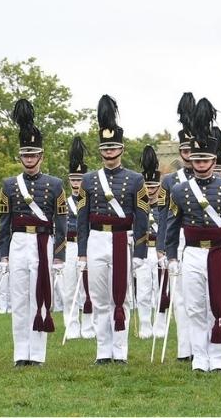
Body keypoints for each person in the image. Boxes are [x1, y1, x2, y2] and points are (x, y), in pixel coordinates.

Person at [165, 98, 221, 372]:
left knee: (219, 304)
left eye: (206, 159)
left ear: (214, 160)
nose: (201, 164)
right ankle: (200, 358)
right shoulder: (179, 191)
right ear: (191, 160)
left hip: (220, 251)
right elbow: (171, 224)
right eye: (197, 159)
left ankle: (220, 359)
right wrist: (171, 255)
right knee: (194, 306)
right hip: (192, 254)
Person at [76, 95, 149, 364]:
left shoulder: (135, 179)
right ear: (100, 150)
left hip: (122, 239)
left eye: (113, 148)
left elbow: (142, 217)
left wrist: (140, 251)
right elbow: (82, 219)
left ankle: (120, 351)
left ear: (121, 149)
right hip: (96, 239)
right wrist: (82, 252)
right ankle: (102, 350)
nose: (109, 153)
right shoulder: (88, 179)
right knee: (98, 297)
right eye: (105, 149)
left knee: (121, 296)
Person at [0, 99, 67, 366]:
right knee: (19, 298)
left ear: (41, 156)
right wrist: (3, 255)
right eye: (25, 155)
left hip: (43, 241)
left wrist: (59, 255)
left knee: (40, 295)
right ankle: (20, 353)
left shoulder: (55, 184)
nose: (29, 159)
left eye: (33, 155)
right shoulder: (8, 185)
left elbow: (60, 223)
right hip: (18, 242)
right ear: (20, 157)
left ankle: (37, 354)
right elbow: (4, 223)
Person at [156, 92, 196, 361]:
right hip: (178, 238)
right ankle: (185, 348)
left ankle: (203, 345)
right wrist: (162, 247)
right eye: (185, 151)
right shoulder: (170, 181)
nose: (190, 155)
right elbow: (163, 216)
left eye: (194, 150)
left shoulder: (215, 178)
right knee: (180, 296)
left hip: (203, 238)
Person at [57, 137, 95, 339]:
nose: (76, 183)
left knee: (89, 290)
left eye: (79, 180)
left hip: (89, 246)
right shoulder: (64, 201)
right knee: (69, 289)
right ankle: (71, 327)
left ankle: (89, 328)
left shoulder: (91, 201)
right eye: (73, 180)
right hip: (70, 246)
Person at [134, 145, 167, 338]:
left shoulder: (164, 205)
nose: (151, 190)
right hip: (144, 252)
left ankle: (160, 326)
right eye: (148, 187)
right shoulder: (138, 207)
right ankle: (145, 325)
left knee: (161, 290)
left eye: (154, 187)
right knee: (144, 290)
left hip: (160, 251)